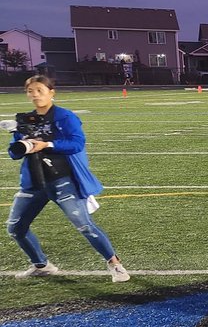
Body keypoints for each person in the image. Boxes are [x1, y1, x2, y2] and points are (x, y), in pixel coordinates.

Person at [5, 74, 130, 281]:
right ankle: (41, 264)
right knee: (16, 228)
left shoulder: (65, 116)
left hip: (63, 180)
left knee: (84, 224)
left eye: (39, 90)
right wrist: (20, 139)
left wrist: (47, 144)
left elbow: (77, 143)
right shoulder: (26, 120)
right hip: (33, 182)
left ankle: (115, 264)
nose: (35, 95)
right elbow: (13, 153)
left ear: (51, 92)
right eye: (30, 91)